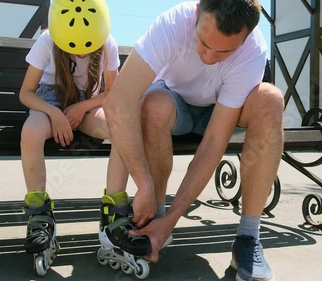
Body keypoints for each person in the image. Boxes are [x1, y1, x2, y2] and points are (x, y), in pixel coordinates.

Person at [103, 1, 283, 281]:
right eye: (202, 42)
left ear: (246, 37)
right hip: (175, 103)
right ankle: (155, 216)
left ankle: (248, 237)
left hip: (222, 111)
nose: (209, 58)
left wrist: (174, 220)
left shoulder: (253, 50)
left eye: (224, 51)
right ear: (197, 14)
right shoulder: (172, 24)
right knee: (153, 105)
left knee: (269, 100)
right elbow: (119, 101)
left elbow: (213, 142)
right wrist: (144, 183)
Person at [18, 0, 150, 275]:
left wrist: (80, 107)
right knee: (30, 132)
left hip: (87, 105)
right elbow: (26, 93)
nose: (82, 53)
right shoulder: (46, 40)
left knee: (121, 130)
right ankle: (39, 215)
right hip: (48, 102)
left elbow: (113, 93)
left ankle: (114, 214)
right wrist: (55, 114)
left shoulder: (107, 42)